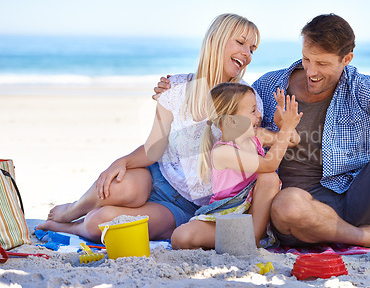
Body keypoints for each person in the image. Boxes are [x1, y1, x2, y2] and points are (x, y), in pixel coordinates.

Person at [154, 14, 370, 272]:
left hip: (358, 196)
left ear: (346, 59)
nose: (311, 71)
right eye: (307, 59)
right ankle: (369, 237)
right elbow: (227, 122)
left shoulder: (361, 87)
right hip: (299, 208)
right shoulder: (268, 87)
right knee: (287, 204)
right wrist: (181, 89)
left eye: (322, 63)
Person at [36, 13, 273, 243]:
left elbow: (250, 153)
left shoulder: (248, 101)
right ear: (215, 40)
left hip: (187, 206)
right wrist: (122, 162)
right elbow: (155, 147)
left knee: (101, 222)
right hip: (158, 177)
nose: (247, 54)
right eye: (241, 43)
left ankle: (73, 227)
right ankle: (73, 209)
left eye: (252, 49)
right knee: (119, 186)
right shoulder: (175, 88)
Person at [171, 83, 302, 249]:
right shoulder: (223, 151)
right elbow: (269, 163)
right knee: (181, 237)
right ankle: (237, 238)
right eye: (253, 111)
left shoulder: (257, 136)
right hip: (227, 214)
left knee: (269, 178)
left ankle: (253, 236)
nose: (259, 115)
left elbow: (292, 140)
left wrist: (284, 124)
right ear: (232, 121)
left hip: (255, 215)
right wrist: (286, 129)